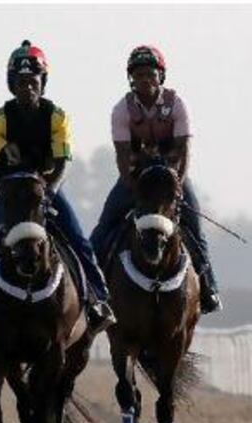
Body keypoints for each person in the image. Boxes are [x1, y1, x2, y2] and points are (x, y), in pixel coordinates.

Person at [0, 40, 116, 335]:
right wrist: (8, 198)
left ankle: (98, 299)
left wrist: (49, 192)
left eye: (33, 81)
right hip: (10, 191)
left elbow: (62, 163)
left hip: (47, 188)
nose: (27, 87)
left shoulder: (57, 116)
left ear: (42, 83)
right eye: (21, 82)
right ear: (11, 84)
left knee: (78, 238)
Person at [89, 44, 222, 314]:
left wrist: (177, 184)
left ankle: (208, 288)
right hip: (137, 178)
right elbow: (123, 157)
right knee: (103, 227)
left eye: (150, 74)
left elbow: (184, 151)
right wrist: (133, 187)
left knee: (195, 229)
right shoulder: (121, 110)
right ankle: (94, 291)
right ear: (131, 80)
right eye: (138, 76)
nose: (144, 80)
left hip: (172, 176)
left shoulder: (177, 104)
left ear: (161, 76)